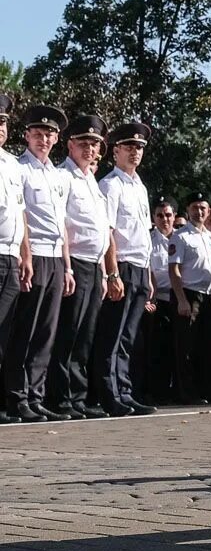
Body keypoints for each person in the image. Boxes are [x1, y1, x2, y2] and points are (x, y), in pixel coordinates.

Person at [7, 106, 74, 422]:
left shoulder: (59, 175)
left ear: (56, 138)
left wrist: (68, 265)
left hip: (56, 258)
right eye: (37, 133)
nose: (43, 139)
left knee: (47, 332)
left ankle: (36, 395)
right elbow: (23, 219)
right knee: (26, 329)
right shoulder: (19, 168)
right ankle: (17, 396)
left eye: (48, 134)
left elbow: (62, 223)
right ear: (27, 136)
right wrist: (27, 257)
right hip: (32, 256)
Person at [48, 114, 114, 419]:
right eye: (84, 143)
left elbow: (100, 230)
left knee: (85, 336)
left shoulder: (92, 181)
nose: (90, 149)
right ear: (70, 145)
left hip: (93, 265)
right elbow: (61, 224)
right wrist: (67, 267)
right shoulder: (64, 177)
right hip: (73, 262)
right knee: (67, 334)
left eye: (95, 144)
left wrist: (103, 271)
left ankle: (77, 397)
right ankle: (60, 398)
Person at [93, 121, 155, 417]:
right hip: (123, 266)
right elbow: (108, 233)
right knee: (113, 335)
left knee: (129, 337)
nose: (135, 152)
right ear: (115, 151)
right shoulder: (110, 185)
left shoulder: (139, 186)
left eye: (140, 147)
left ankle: (125, 391)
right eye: (129, 147)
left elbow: (143, 232)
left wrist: (149, 274)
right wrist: (113, 272)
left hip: (140, 267)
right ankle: (109, 394)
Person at [168, 193, 211, 404]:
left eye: (203, 208)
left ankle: (207, 390)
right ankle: (187, 393)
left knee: (208, 345)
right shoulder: (181, 237)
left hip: (209, 296)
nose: (199, 212)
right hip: (189, 294)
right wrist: (181, 299)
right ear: (188, 210)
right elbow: (174, 270)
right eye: (195, 208)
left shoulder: (210, 237)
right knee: (186, 347)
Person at [0, 96, 34, 426]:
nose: (0, 128)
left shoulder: (11, 163)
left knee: (4, 333)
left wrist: (26, 254)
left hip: (10, 257)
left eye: (3, 122)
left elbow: (21, 212)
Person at [141, 195, 178, 404]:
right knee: (156, 347)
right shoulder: (149, 240)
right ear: (154, 218)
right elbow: (148, 270)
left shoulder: (181, 238)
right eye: (160, 215)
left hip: (179, 296)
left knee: (178, 347)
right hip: (158, 299)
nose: (164, 219)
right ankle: (156, 390)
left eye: (168, 215)